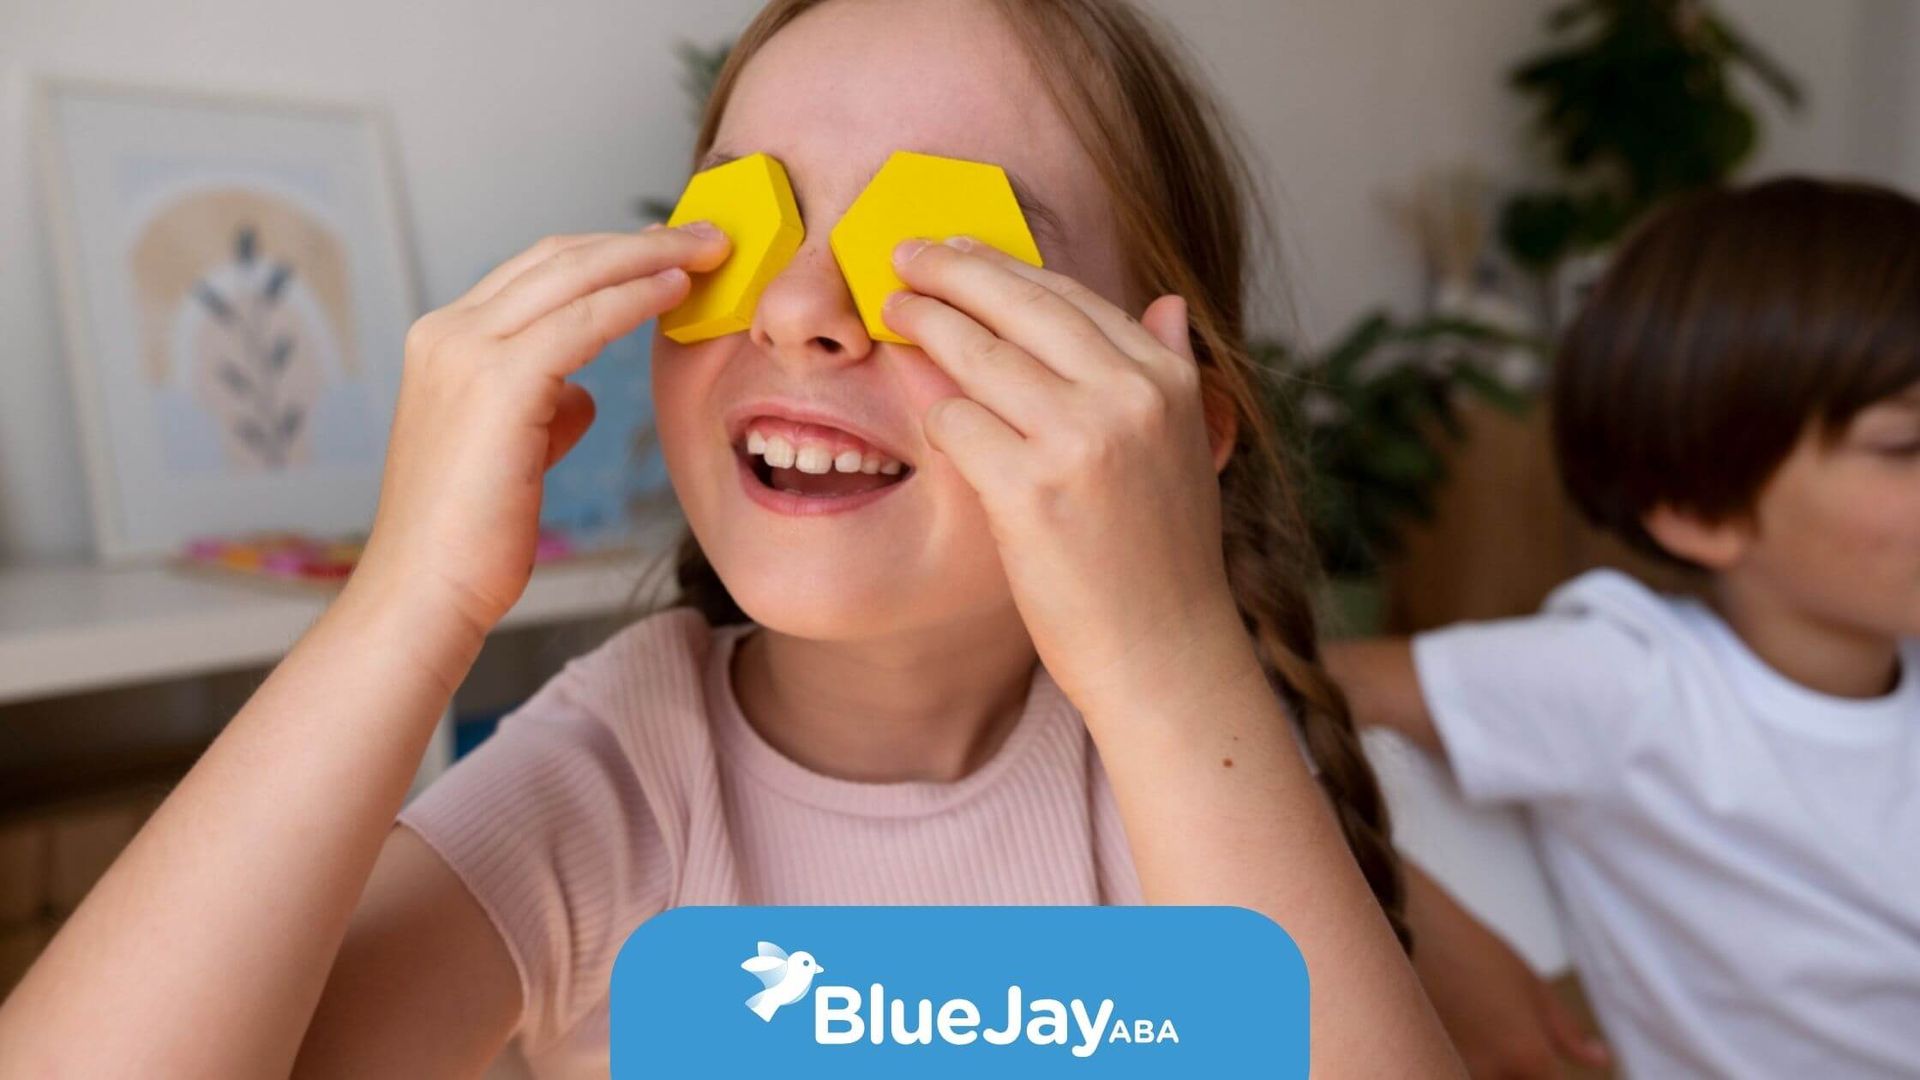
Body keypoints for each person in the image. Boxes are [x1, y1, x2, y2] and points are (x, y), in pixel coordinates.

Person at [0, 1, 1459, 1075]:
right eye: (741, 228)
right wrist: (407, 602)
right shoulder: (625, 774)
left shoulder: (1179, 781)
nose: (798, 304)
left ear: (1174, 425)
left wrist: (1169, 656)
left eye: (945, 255)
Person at [1331, 177, 1920, 1078]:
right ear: (1698, 506)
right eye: (1904, 448)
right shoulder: (1631, 681)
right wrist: (1422, 931)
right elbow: (1278, 681)